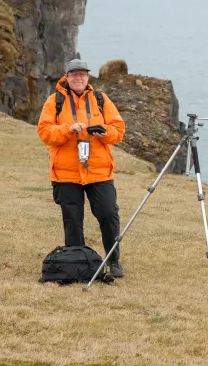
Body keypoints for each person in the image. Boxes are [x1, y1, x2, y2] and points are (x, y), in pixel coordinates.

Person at [37, 59, 127, 277]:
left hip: (99, 172)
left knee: (108, 214)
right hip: (66, 174)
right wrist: (69, 129)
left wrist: (104, 132)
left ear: (88, 78)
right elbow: (45, 132)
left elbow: (119, 130)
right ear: (66, 77)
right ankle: (77, 265)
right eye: (74, 74)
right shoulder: (54, 101)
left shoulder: (101, 100)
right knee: (73, 220)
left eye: (82, 74)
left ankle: (113, 260)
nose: (78, 78)